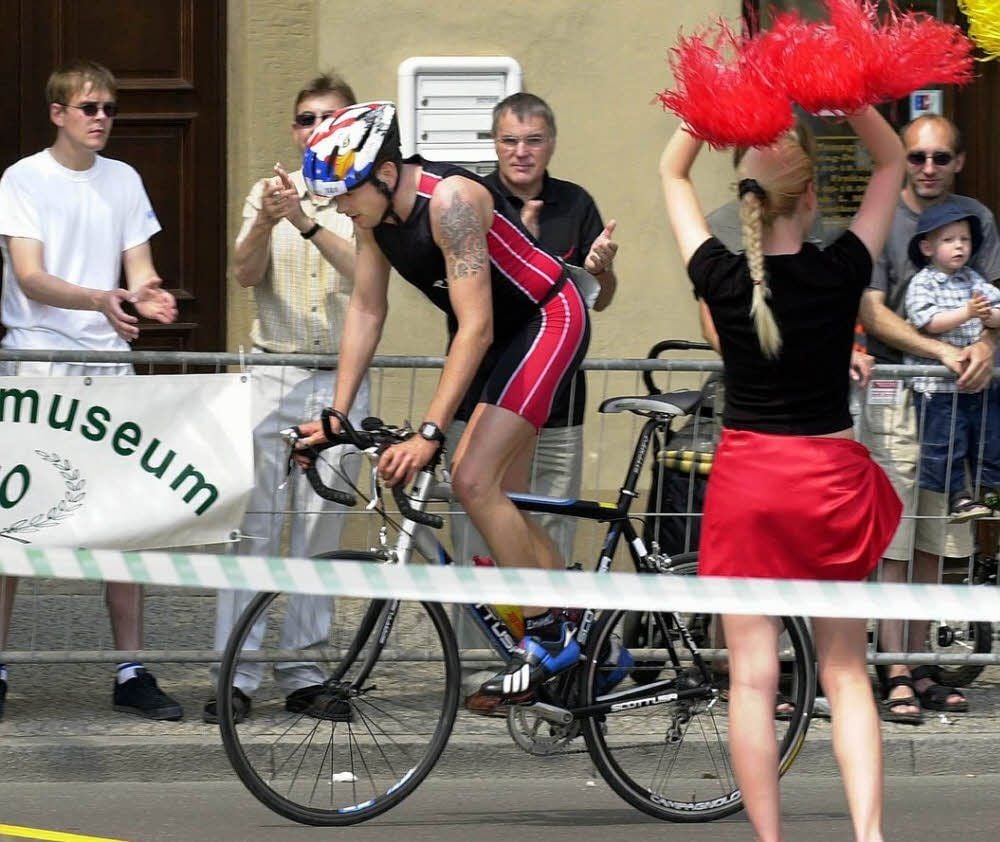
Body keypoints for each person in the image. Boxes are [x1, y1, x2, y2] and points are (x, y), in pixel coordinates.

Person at [660, 106, 904, 842]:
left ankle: (771, 839)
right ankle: (868, 836)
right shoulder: (841, 270)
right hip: (825, 483)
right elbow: (890, 161)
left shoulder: (722, 276)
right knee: (847, 673)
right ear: (811, 197)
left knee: (752, 682)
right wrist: (855, 96)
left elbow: (670, 170)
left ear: (743, 203)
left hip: (748, 484)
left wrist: (700, 108)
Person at [294, 101, 589, 703]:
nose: (340, 208)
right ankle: (582, 630)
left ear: (382, 172)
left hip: (547, 317)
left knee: (472, 478)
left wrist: (429, 432)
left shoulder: (449, 203)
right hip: (503, 335)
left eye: (345, 193)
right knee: (489, 491)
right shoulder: (375, 217)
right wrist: (336, 412)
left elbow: (475, 329)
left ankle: (546, 636)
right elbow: (367, 309)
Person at [0, 59, 180, 721]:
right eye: (88, 108)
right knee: (12, 524)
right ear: (58, 114)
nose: (101, 117)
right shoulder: (22, 179)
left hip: (107, 368)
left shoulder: (125, 180)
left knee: (125, 526)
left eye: (107, 107)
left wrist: (147, 296)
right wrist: (103, 297)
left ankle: (131, 670)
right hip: (39, 366)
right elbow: (30, 278)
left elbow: (141, 269)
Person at [202, 72, 369, 724]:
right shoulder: (265, 192)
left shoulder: (361, 195)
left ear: (347, 126)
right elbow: (243, 274)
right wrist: (265, 221)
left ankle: (304, 672)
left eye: (326, 117)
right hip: (269, 371)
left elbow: (366, 274)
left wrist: (303, 222)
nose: (313, 128)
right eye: (304, 118)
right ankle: (233, 675)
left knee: (319, 532)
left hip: (338, 377)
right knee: (254, 528)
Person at [447, 92, 619, 711]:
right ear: (494, 145)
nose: (522, 152)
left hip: (561, 403)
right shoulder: (470, 201)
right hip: (490, 395)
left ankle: (560, 662)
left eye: (534, 140)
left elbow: (598, 297)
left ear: (552, 143)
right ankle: (514, 664)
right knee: (493, 537)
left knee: (545, 531)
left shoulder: (576, 203)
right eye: (510, 141)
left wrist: (603, 267)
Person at [857, 114, 1000, 724]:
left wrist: (987, 348)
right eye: (917, 157)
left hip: (961, 400)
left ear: (959, 161)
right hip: (897, 389)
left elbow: (993, 298)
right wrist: (942, 350)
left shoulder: (978, 218)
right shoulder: (883, 210)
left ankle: (920, 661)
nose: (929, 167)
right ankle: (892, 669)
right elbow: (872, 308)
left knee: (937, 540)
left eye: (941, 157)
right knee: (895, 534)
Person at [905, 202, 1000, 522]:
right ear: (927, 247)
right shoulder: (924, 282)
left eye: (965, 239)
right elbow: (927, 320)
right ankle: (958, 497)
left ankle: (991, 495)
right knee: (948, 442)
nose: (959, 245)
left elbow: (997, 310)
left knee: (989, 439)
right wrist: (969, 313)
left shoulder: (974, 280)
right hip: (940, 385)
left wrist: (991, 316)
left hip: (977, 381)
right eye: (949, 240)